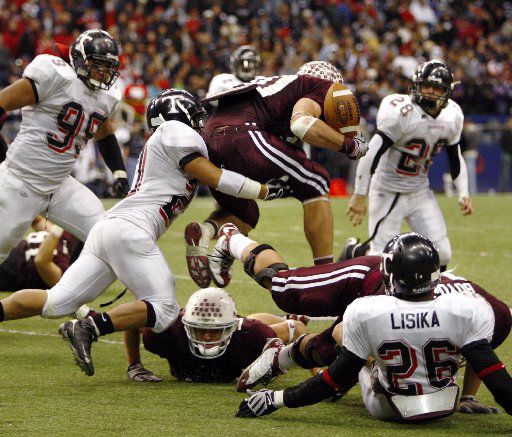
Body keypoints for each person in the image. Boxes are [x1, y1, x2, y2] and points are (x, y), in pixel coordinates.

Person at [0, 88, 292, 377]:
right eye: (197, 116)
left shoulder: (165, 142)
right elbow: (213, 176)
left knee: (57, 302)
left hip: (111, 228)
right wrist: (265, 190)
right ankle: (89, 328)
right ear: (179, 114)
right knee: (163, 310)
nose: (202, 123)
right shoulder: (174, 131)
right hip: (130, 230)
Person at [211, 224, 511, 413]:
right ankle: (232, 240)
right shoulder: (477, 311)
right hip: (363, 278)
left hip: (382, 313)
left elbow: (481, 354)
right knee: (284, 286)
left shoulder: (485, 313)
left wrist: (278, 400)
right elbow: (485, 360)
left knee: (329, 350)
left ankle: (281, 356)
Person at [185, 61, 368, 289]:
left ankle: (205, 232)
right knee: (317, 179)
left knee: (245, 214)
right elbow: (302, 124)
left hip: (211, 137)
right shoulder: (315, 86)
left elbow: (290, 147)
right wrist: (349, 145)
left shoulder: (279, 86)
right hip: (243, 133)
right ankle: (324, 275)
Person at [0, 29, 129, 267]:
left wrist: (119, 172)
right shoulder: (55, 74)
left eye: (108, 67)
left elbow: (105, 132)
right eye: (97, 65)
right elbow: (2, 103)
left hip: (60, 184)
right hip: (21, 180)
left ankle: (68, 299)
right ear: (79, 59)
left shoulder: (106, 95)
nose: (103, 73)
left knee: (107, 238)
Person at [344, 60, 472, 270]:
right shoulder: (401, 113)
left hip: (419, 192)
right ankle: (354, 251)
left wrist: (464, 192)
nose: (429, 92)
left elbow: (455, 158)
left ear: (446, 91)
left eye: (436, 87)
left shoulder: (453, 116)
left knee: (442, 254)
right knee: (382, 259)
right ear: (416, 85)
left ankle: (431, 298)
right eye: (425, 86)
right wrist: (359, 194)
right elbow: (371, 153)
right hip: (387, 190)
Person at [123, 287, 308, 383]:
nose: (207, 337)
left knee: (254, 322)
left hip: (244, 327)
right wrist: (135, 365)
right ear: (186, 325)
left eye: (215, 330)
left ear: (230, 327)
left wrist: (320, 373)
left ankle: (283, 316)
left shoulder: (250, 334)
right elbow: (134, 318)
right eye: (200, 329)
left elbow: (295, 328)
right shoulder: (169, 332)